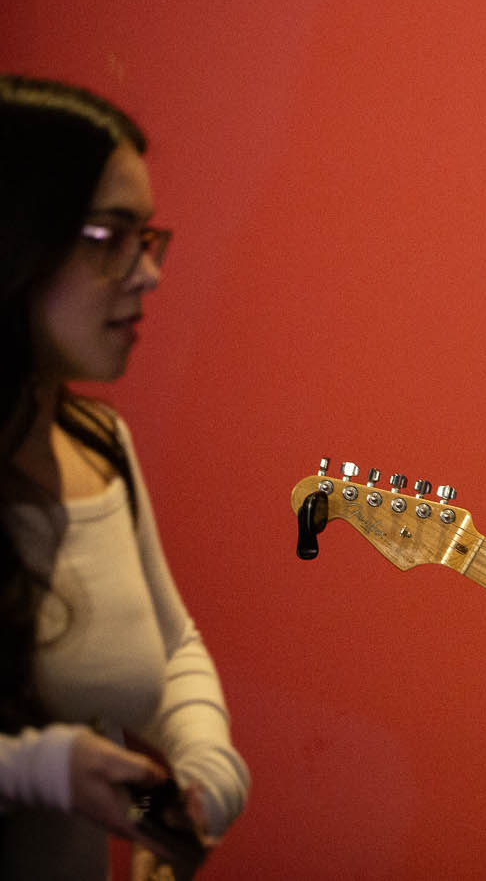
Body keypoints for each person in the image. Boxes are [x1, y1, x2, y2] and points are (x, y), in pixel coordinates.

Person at [0, 77, 250, 880]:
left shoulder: (100, 445)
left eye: (147, 239)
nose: (148, 274)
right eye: (109, 237)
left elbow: (172, 650)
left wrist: (204, 781)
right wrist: (39, 768)